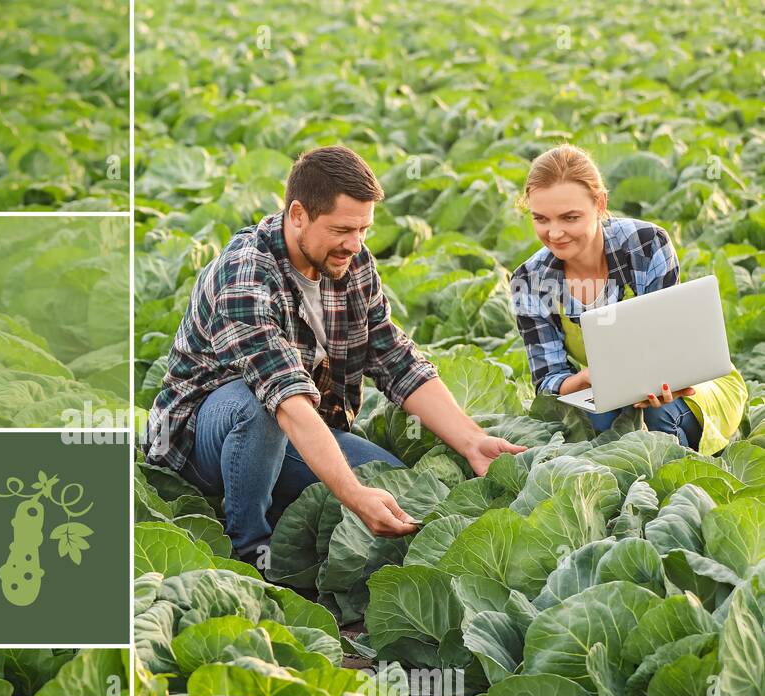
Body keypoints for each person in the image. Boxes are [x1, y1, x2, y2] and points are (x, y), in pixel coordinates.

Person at [145, 145, 525, 563]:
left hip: (292, 431)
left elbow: (394, 358)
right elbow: (285, 398)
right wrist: (352, 496)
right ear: (297, 216)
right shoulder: (245, 274)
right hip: (203, 440)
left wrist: (471, 440)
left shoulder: (352, 264)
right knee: (260, 407)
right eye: (342, 229)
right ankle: (249, 551)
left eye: (363, 229)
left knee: (395, 482)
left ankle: (273, 498)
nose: (355, 244)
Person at [511, 144, 746, 453]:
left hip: (692, 382)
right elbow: (548, 381)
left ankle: (685, 475)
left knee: (657, 412)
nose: (554, 233)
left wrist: (663, 380)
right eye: (541, 219)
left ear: (599, 203)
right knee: (601, 419)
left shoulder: (647, 244)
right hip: (605, 391)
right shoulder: (529, 280)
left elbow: (672, 350)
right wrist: (588, 378)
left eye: (569, 218)